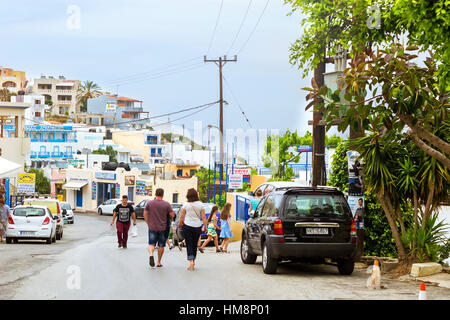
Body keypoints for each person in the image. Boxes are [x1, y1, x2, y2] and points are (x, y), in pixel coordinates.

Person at [177, 188, 207, 271]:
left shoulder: (186, 204)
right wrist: (205, 226)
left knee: (189, 243)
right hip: (197, 226)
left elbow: (181, 216)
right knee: (194, 244)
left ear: (188, 195)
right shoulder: (200, 204)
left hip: (187, 226)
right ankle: (193, 260)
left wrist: (180, 224)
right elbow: (203, 217)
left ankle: (191, 261)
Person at [144, 188, 175, 268]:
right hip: (163, 228)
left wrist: (148, 222)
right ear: (163, 194)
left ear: (155, 194)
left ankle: (151, 254)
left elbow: (145, 214)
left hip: (152, 227)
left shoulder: (149, 203)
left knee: (151, 244)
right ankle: (158, 262)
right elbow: (172, 215)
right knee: (161, 245)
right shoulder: (167, 204)